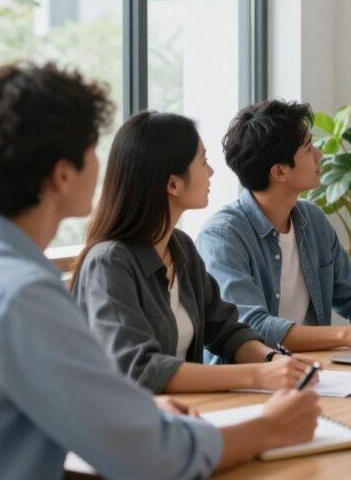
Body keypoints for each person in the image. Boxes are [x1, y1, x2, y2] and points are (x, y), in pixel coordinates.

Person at [0, 62, 319, 479]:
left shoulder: (16, 278)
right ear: (62, 174)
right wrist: (271, 427)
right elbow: (149, 454)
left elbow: (76, 401)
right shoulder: (25, 295)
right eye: (94, 148)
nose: (102, 164)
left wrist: (140, 409)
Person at [72, 111, 317, 394]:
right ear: (173, 184)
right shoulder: (109, 263)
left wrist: (273, 360)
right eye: (203, 161)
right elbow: (139, 369)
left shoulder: (180, 247)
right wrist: (258, 376)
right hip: (129, 428)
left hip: (184, 414)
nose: (211, 172)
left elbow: (226, 330)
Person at [196, 100, 351, 352]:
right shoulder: (222, 236)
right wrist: (348, 335)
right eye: (308, 148)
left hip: (316, 369)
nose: (319, 154)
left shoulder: (311, 219)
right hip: (248, 380)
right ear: (279, 172)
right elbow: (252, 327)